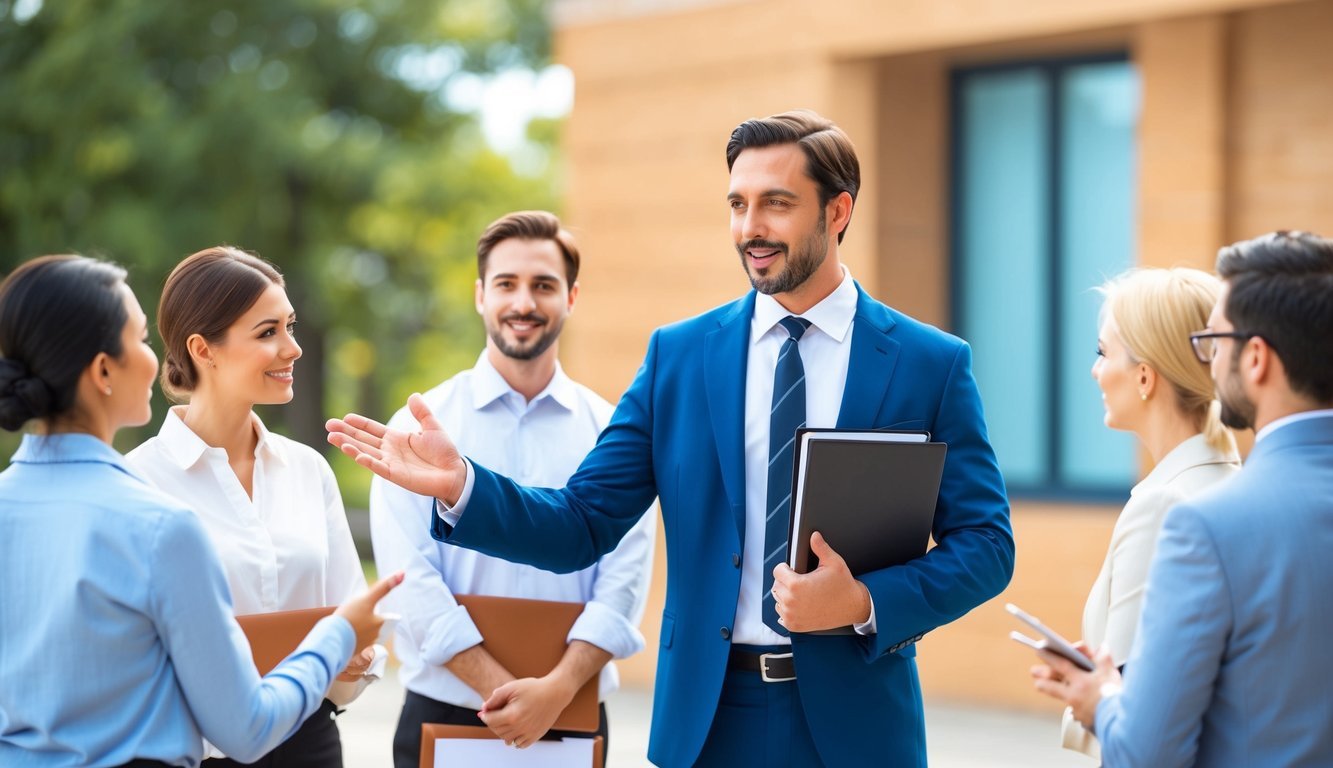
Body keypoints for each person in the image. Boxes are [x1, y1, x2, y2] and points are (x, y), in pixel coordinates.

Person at [329, 109, 1014, 767]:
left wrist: (865, 602)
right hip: (711, 719)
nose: (751, 228)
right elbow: (581, 522)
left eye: (775, 203)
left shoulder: (929, 363)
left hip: (860, 721)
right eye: (737, 204)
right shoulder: (679, 358)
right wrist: (464, 488)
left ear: (836, 212)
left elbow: (986, 545)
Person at [0, 254, 400, 768]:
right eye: (141, 340)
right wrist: (337, 637)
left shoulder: (300, 471)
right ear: (103, 370)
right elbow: (246, 727)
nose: (154, 359)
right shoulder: (154, 516)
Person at [1031, 231, 1333, 766]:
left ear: (1256, 359)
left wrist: (1099, 700)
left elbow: (1147, 749)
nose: (1212, 364)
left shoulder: (1203, 523)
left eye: (1216, 344)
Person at [369, 211, 655, 767]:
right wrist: (501, 690)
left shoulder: (614, 431)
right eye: (506, 284)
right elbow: (409, 581)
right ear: (480, 295)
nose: (524, 302)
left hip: (572, 708)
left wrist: (554, 691)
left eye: (543, 285)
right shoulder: (419, 428)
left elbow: (624, 579)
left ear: (571, 296)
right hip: (446, 710)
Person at [125, 246, 384, 767]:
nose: (292, 348)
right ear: (204, 349)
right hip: (191, 755)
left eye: (289, 326)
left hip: (310, 746)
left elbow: (350, 615)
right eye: (268, 333)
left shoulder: (308, 469)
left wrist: (355, 658)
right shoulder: (136, 483)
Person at [1060, 268, 1241, 758]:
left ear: (1145, 376)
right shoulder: (1232, 480)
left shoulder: (1163, 505)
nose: (1096, 371)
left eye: (1103, 352)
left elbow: (1129, 711)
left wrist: (1086, 694)